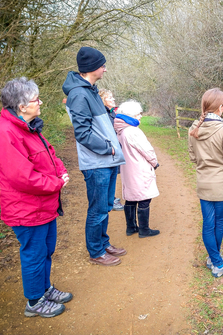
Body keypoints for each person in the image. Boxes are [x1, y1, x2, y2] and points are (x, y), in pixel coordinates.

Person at [0, 78, 72, 317]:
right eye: (36, 100)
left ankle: (44, 288)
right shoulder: (5, 133)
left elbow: (49, 154)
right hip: (26, 210)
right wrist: (56, 184)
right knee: (34, 255)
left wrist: (60, 171)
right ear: (22, 106)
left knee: (46, 250)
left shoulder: (29, 127)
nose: (41, 103)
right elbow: (22, 177)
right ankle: (35, 301)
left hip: (43, 205)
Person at [62, 47, 126, 266]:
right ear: (92, 68)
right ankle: (96, 251)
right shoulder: (79, 94)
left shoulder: (90, 90)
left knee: (106, 206)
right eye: (102, 65)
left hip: (106, 160)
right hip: (97, 162)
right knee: (97, 209)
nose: (105, 69)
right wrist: (108, 148)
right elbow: (82, 133)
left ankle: (103, 242)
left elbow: (99, 123)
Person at [188, 88, 223, 278]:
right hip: (222, 185)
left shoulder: (194, 128)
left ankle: (214, 258)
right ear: (221, 107)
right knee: (218, 223)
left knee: (208, 224)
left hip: (204, 183)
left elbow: (193, 158)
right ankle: (217, 263)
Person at [114, 100, 161, 237]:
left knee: (131, 197)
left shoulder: (121, 131)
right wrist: (154, 163)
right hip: (139, 168)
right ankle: (144, 230)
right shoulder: (133, 131)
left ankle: (131, 227)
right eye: (138, 114)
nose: (140, 116)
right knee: (144, 197)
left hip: (127, 168)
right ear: (131, 115)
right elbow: (147, 150)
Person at [98, 88, 123, 211]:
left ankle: (111, 199)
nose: (113, 99)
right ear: (102, 100)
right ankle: (109, 201)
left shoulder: (112, 112)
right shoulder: (102, 115)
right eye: (109, 97)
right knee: (107, 178)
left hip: (114, 151)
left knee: (113, 176)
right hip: (108, 152)